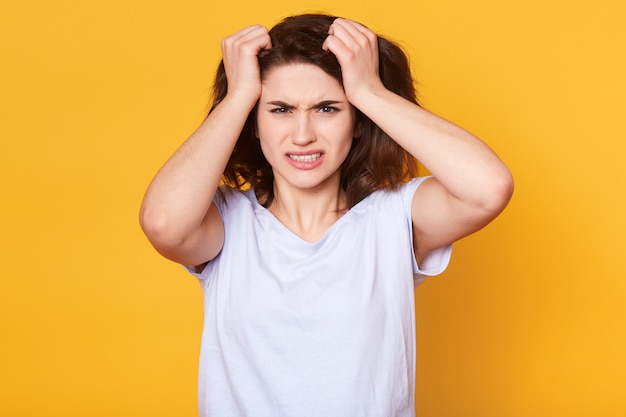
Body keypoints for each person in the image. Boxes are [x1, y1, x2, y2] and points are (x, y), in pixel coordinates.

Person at [139, 13, 513, 417]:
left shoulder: (393, 218)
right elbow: (162, 223)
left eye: (327, 108)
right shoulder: (228, 223)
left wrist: (369, 91)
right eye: (280, 110)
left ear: (356, 122)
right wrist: (238, 94)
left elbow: (488, 189)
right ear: (254, 123)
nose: (303, 135)